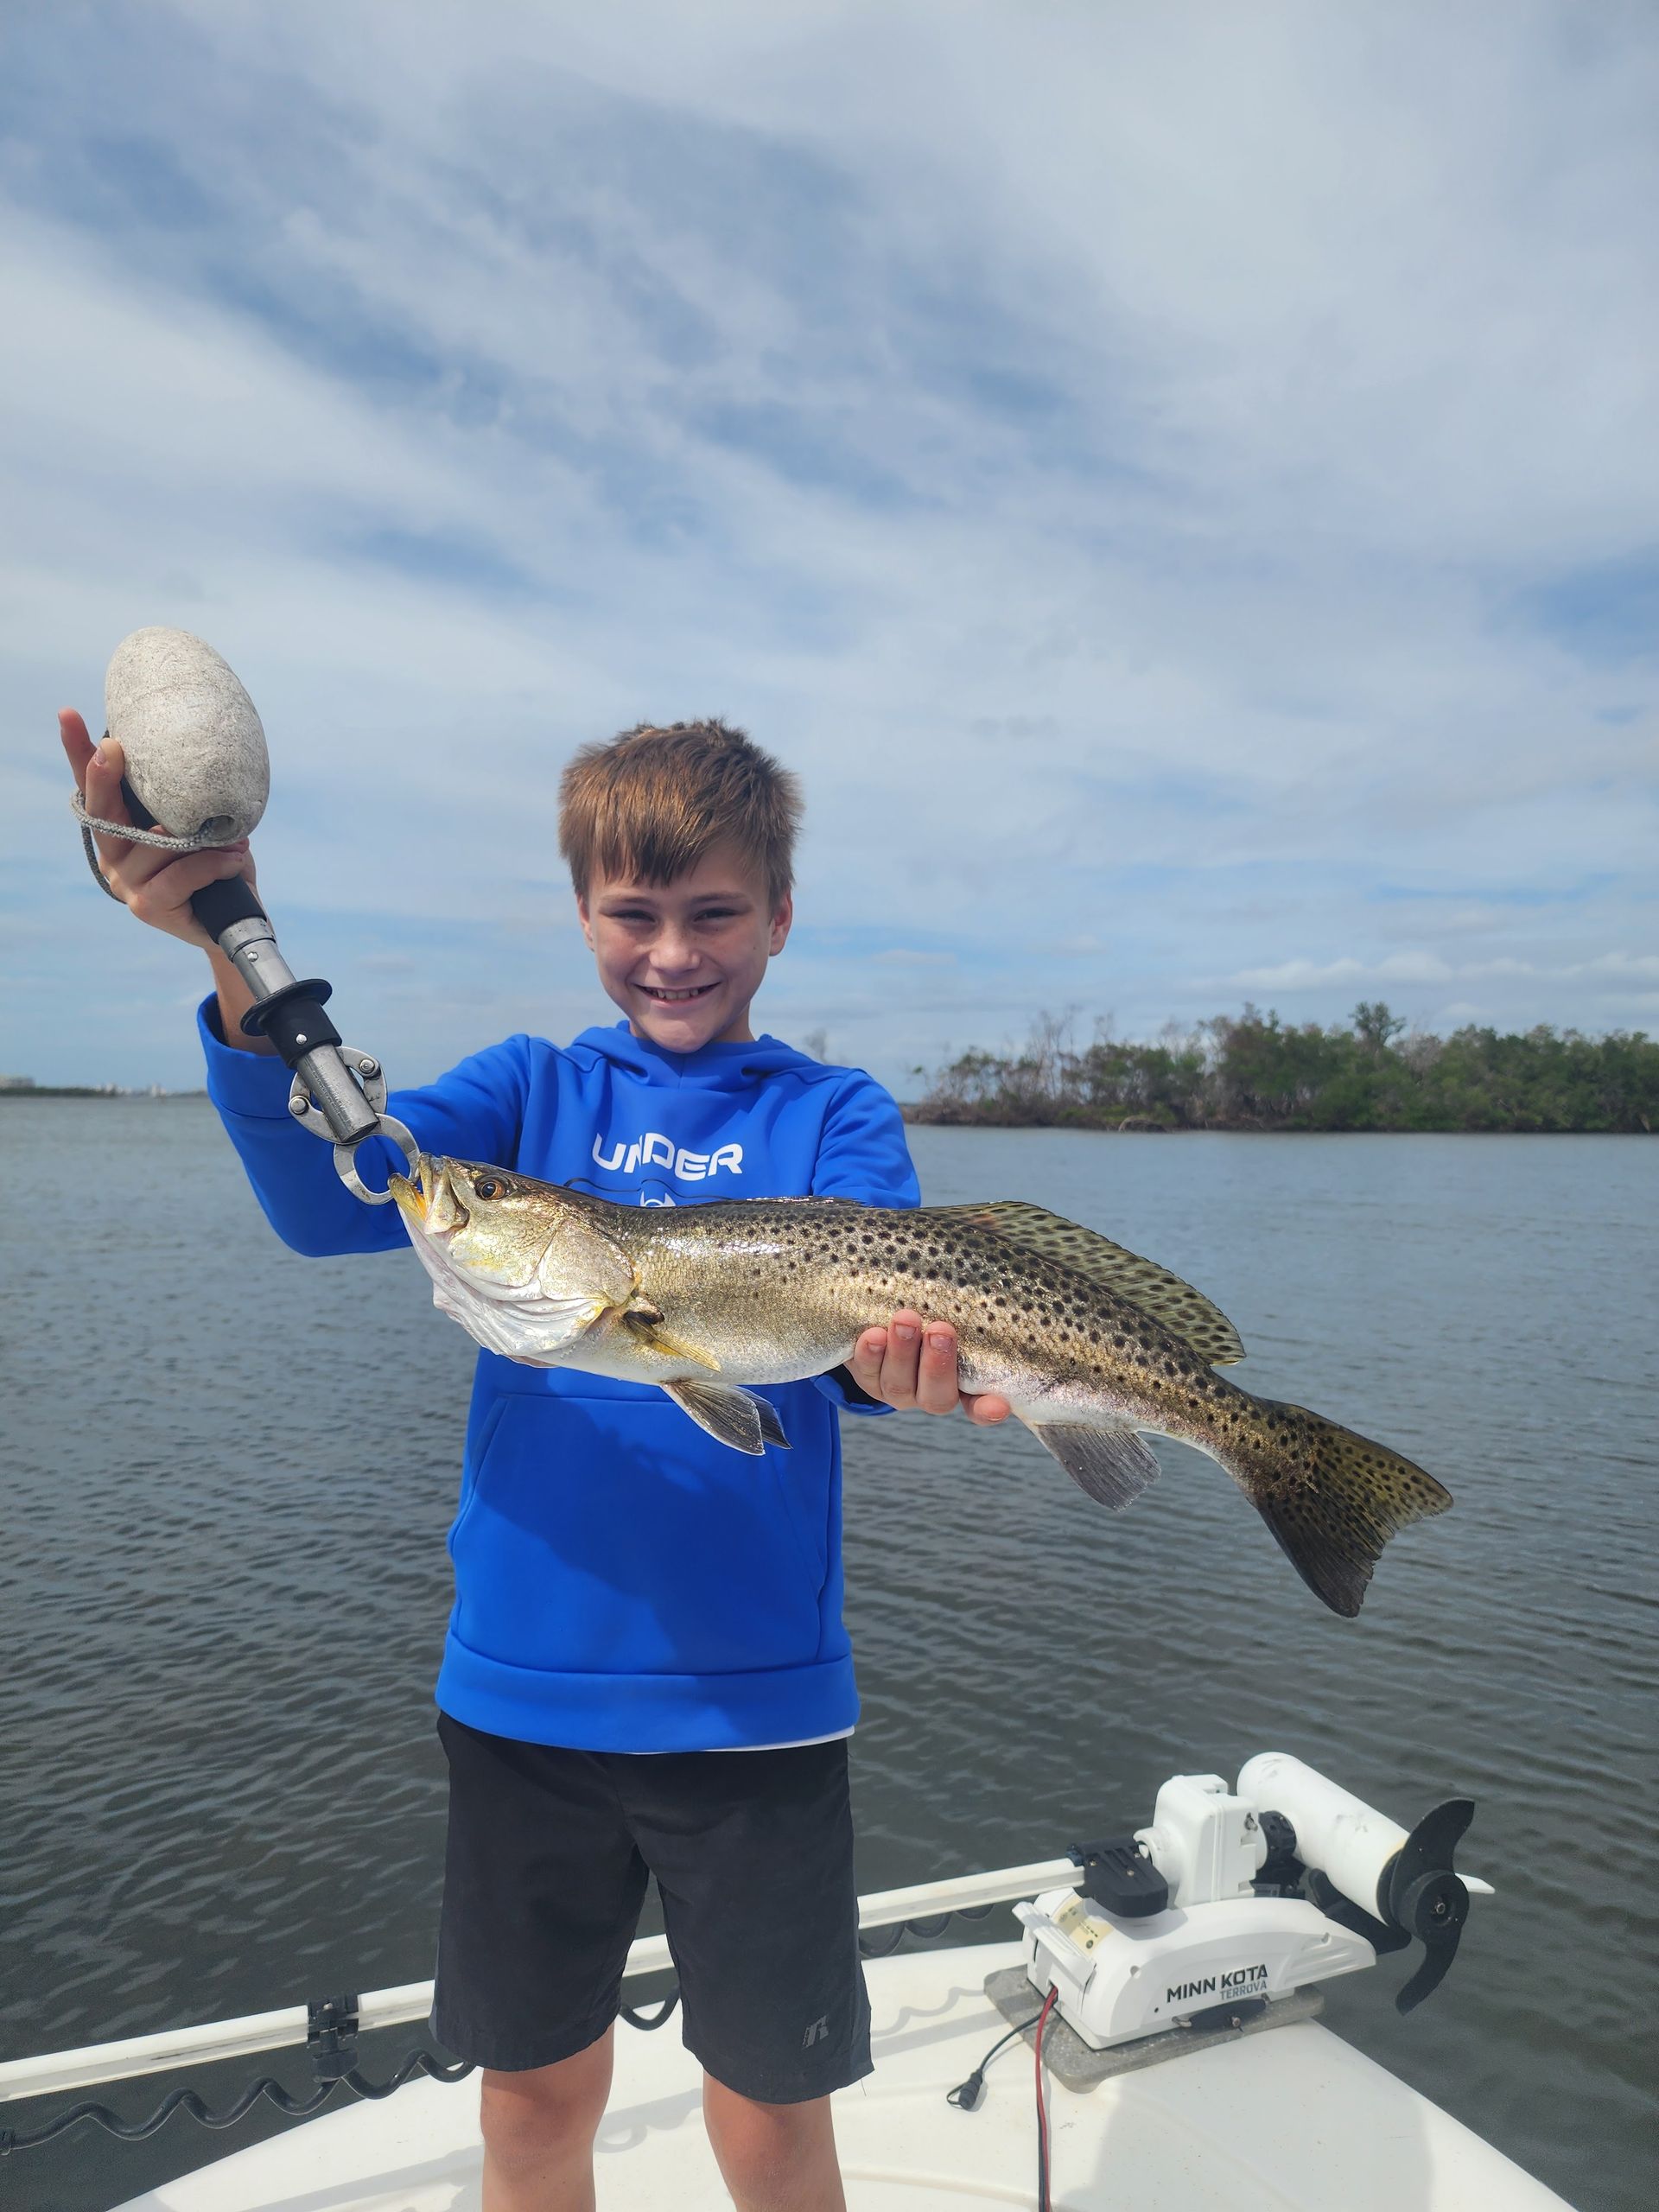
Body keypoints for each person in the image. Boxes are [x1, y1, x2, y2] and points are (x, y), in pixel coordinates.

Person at [59, 707, 1012, 2212]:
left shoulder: (834, 1116)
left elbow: (870, 1350)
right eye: (634, 915)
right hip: (519, 1704)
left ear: (778, 917)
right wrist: (223, 948)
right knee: (530, 2100)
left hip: (757, 1721)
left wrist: (906, 1379)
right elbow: (343, 1195)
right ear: (583, 915)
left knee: (771, 2117)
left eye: (713, 915)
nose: (673, 952)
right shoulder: (525, 1091)